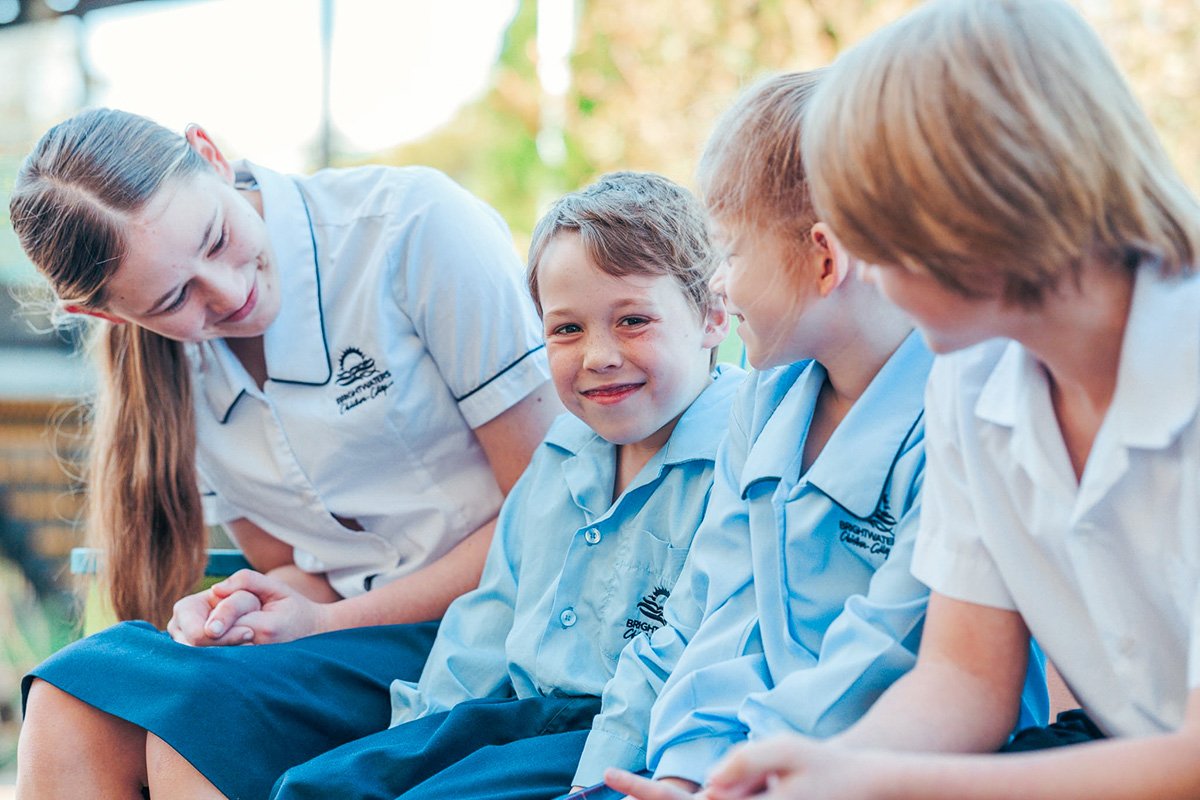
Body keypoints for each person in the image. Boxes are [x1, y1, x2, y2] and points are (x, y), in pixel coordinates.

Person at [694, 2, 1200, 799]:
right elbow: (964, 680)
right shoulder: (971, 381)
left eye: (874, 233)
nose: (867, 273)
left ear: (971, 207)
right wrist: (826, 770)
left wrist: (881, 787)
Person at [12, 108, 559, 797]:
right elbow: (301, 571)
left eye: (216, 238)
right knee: (70, 700)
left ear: (209, 154)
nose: (231, 294)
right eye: (175, 297)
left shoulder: (411, 228)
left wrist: (328, 621)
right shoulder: (171, 379)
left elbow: (553, 512)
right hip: (355, 644)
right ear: (108, 317)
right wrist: (243, 608)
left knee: (194, 720)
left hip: (505, 627)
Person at [582, 70, 1045, 800]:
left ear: (825, 259)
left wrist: (744, 781)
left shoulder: (957, 410)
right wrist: (680, 769)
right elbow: (717, 614)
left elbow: (887, 657)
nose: (720, 286)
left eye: (731, 252)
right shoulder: (766, 394)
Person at [264, 171, 742, 800]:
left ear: (711, 316)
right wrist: (409, 741)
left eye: (631, 320)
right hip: (519, 721)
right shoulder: (561, 454)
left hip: (626, 741)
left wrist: (597, 784)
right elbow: (488, 621)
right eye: (567, 329)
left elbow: (693, 656)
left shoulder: (742, 454)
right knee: (311, 789)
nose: (597, 354)